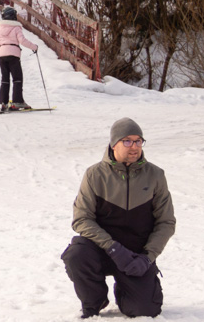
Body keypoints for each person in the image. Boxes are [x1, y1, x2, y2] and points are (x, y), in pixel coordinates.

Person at [61, 118, 176, 319]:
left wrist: (148, 257)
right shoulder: (95, 174)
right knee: (76, 255)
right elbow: (81, 219)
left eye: (139, 141)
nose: (135, 147)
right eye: (128, 141)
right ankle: (94, 300)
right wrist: (112, 247)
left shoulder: (155, 175)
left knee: (144, 311)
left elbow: (166, 222)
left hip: (135, 255)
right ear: (114, 144)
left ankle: (127, 291)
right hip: (102, 249)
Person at [0, 6, 38, 111]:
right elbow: (22, 41)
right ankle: (17, 101)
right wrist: (34, 47)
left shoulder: (0, 28)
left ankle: (4, 102)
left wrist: (2, 47)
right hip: (13, 55)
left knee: (5, 79)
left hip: (2, 55)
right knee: (17, 79)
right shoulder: (16, 28)